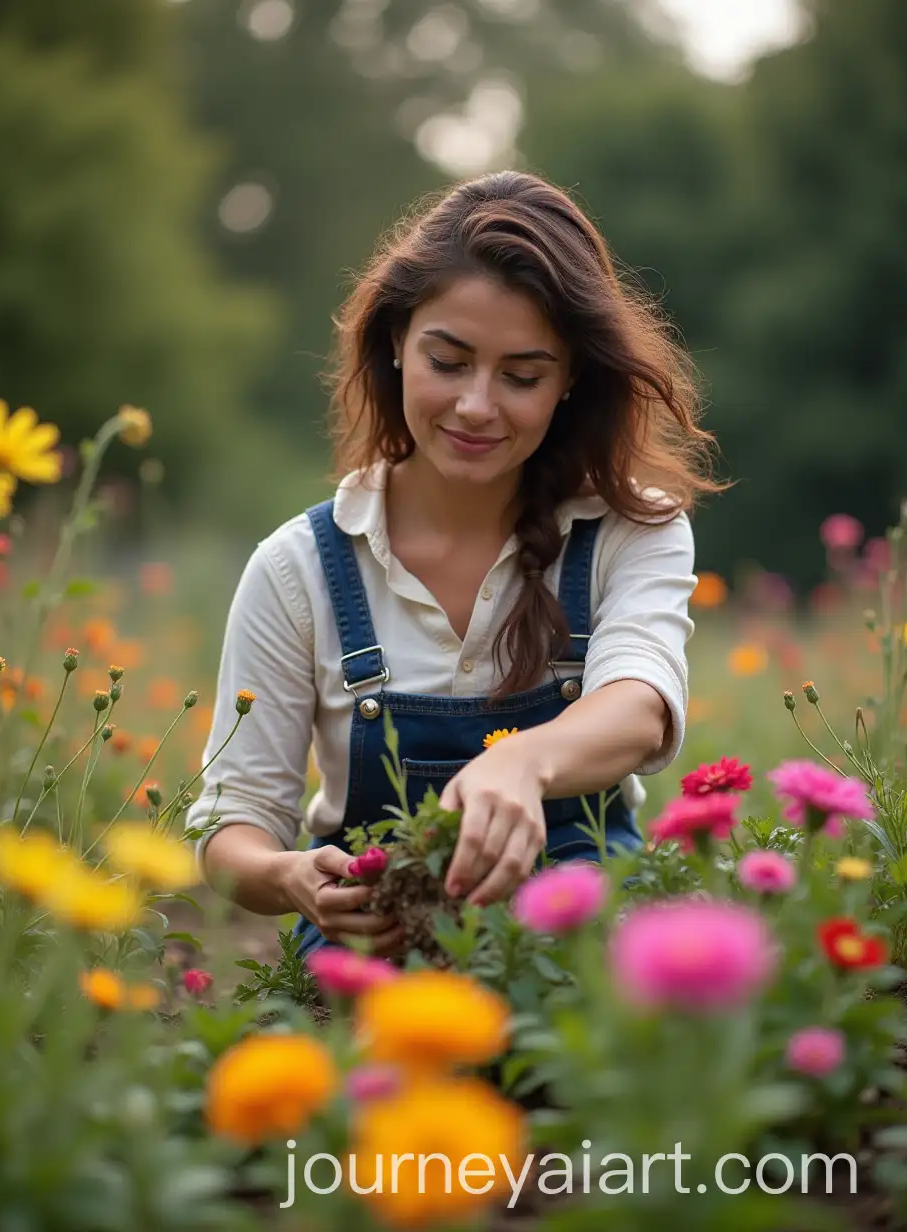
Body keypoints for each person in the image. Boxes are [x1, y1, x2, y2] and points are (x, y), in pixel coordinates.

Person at [186, 170, 722, 959]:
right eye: (448, 361)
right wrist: (291, 875)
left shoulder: (629, 531)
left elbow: (641, 706)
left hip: (579, 944)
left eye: (522, 376)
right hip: (377, 955)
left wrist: (524, 764)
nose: (476, 405)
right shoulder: (298, 569)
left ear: (570, 380)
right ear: (396, 343)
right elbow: (233, 826)